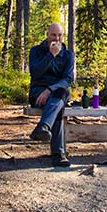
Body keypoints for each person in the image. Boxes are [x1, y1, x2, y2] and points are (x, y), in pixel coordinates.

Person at [28, 22, 74, 167]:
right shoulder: (35, 51)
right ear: (48, 35)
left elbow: (68, 79)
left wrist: (49, 90)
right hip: (38, 93)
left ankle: (44, 126)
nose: (57, 38)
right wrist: (50, 55)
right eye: (53, 35)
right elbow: (35, 73)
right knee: (59, 106)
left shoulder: (68, 55)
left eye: (60, 35)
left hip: (56, 92)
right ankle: (58, 154)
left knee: (62, 92)